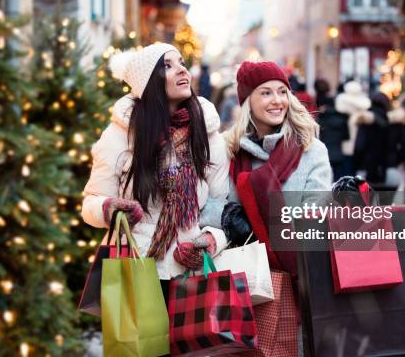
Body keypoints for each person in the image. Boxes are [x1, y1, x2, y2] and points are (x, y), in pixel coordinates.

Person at [81, 43, 229, 304]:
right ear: (148, 81)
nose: (182, 70)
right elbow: (91, 202)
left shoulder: (208, 133)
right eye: (167, 66)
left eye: (181, 63)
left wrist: (211, 239)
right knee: (144, 345)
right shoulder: (119, 134)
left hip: (190, 272)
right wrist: (108, 208)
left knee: (192, 345)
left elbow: (221, 206)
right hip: (137, 268)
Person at [222, 60, 332, 270]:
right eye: (265, 93)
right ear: (248, 101)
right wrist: (229, 221)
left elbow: (316, 219)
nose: (277, 101)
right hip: (247, 275)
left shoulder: (311, 149)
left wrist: (258, 223)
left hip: (300, 274)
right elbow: (215, 208)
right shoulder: (230, 149)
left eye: (282, 92)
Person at [334, 80, 371, 177]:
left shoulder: (343, 99)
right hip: (349, 133)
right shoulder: (359, 100)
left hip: (352, 133)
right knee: (350, 159)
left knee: (350, 159)